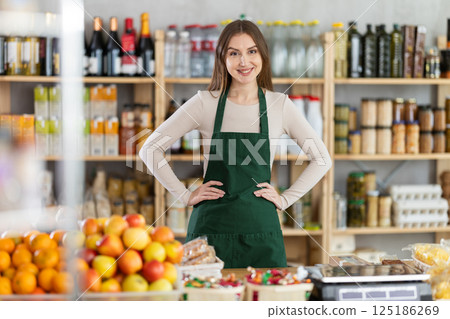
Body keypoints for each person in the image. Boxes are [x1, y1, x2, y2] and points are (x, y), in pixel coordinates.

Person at [139, 20, 331, 268]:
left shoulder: (279, 105)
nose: (244, 62)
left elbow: (322, 158)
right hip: (210, 231)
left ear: (263, 55)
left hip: (262, 230)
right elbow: (149, 149)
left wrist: (285, 200)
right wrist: (185, 195)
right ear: (222, 58)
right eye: (234, 53)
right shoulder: (205, 103)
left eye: (252, 51)